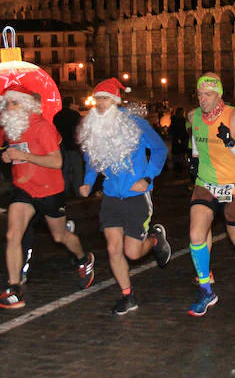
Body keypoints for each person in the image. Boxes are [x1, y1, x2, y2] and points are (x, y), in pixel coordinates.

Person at [0, 83, 95, 310]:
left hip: (49, 189)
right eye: (7, 103)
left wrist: (23, 156)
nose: (10, 107)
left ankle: (83, 258)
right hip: (23, 189)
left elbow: (57, 162)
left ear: (27, 105)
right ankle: (14, 288)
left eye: (15, 102)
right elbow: (1, 151)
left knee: (60, 237)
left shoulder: (42, 128)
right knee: (12, 235)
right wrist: (6, 158)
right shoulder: (7, 128)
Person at [77, 78, 172, 315]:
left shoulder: (135, 124)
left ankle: (156, 240)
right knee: (113, 247)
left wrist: (148, 178)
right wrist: (88, 182)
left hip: (136, 195)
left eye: (105, 99)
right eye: (97, 99)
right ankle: (128, 296)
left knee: (132, 252)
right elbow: (93, 159)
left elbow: (160, 149)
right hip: (111, 196)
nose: (99, 104)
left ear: (116, 102)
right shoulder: (95, 128)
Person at [187, 72, 235, 316]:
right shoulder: (195, 116)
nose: (203, 99)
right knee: (196, 234)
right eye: (199, 94)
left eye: (208, 94)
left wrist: (231, 143)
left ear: (219, 95)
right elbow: (197, 147)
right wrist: (194, 161)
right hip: (205, 183)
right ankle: (206, 290)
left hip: (233, 186)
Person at [54, 97, 83, 196]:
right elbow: (81, 130)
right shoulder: (75, 115)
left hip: (61, 145)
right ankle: (78, 191)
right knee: (77, 169)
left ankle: (65, 191)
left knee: (64, 169)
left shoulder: (57, 116)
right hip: (73, 145)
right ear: (71, 104)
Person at [169, 106, 189, 172]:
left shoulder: (174, 120)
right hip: (181, 138)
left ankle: (177, 165)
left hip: (176, 138)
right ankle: (180, 165)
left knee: (176, 152)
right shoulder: (181, 120)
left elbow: (172, 130)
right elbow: (182, 130)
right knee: (180, 152)